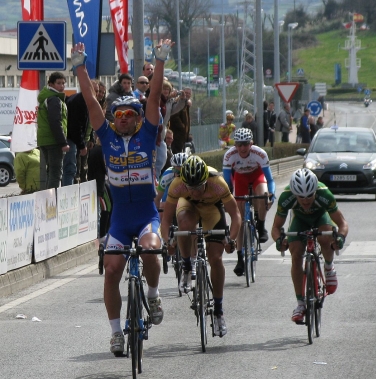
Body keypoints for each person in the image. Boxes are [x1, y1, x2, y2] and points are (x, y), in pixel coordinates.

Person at [71, 38, 174, 355]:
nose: (125, 117)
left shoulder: (146, 134)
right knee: (112, 270)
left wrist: (159, 61)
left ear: (139, 118)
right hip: (118, 221)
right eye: (119, 114)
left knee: (150, 251)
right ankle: (116, 333)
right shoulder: (107, 137)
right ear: (113, 119)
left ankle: (153, 294)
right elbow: (90, 103)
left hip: (146, 217)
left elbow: (154, 96)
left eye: (131, 113)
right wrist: (79, 68)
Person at [160, 156, 241, 337]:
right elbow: (165, 221)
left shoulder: (218, 182)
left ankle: (218, 311)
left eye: (198, 187)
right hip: (187, 206)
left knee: (216, 259)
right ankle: (187, 266)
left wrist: (231, 239)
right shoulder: (177, 184)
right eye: (190, 187)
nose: (195, 191)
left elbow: (235, 215)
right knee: (184, 223)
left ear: (206, 181)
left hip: (212, 209)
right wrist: (167, 242)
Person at [271, 168, 348, 323]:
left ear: (315, 191)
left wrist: (340, 238)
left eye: (309, 196)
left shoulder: (324, 194)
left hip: (320, 217)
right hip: (300, 220)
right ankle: (300, 303)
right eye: (301, 197)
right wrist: (279, 241)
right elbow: (275, 227)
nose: (305, 201)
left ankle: (329, 267)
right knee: (296, 253)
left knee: (326, 237)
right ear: (294, 193)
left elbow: (342, 223)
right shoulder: (286, 196)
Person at [222, 128, 276, 276]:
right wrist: (228, 200)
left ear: (251, 144)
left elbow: (270, 180)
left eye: (245, 144)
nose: (242, 148)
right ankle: (240, 258)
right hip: (240, 179)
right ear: (235, 144)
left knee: (263, 195)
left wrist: (271, 195)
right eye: (239, 144)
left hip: (257, 176)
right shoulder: (229, 156)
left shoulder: (260, 154)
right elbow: (227, 183)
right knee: (239, 218)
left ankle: (261, 225)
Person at [37, 71, 70, 189]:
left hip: (44, 140)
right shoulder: (54, 99)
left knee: (51, 171)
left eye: (63, 83)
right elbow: (55, 122)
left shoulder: (46, 98)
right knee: (56, 173)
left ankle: (47, 200)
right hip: (53, 141)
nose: (61, 86)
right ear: (51, 84)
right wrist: (63, 142)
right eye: (58, 83)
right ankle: (52, 203)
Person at [62, 80, 98, 186]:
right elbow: (76, 126)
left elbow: (88, 123)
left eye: (97, 91)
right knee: (70, 169)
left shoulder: (87, 100)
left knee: (77, 169)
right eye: (93, 90)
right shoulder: (79, 101)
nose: (95, 93)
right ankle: (67, 193)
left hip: (78, 139)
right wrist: (82, 145)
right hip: (71, 139)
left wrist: (90, 138)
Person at [169, 87, 192, 154]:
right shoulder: (179, 102)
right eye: (186, 93)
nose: (187, 94)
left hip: (182, 135)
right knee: (177, 153)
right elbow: (174, 116)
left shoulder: (186, 104)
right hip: (177, 134)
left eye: (189, 93)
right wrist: (182, 127)